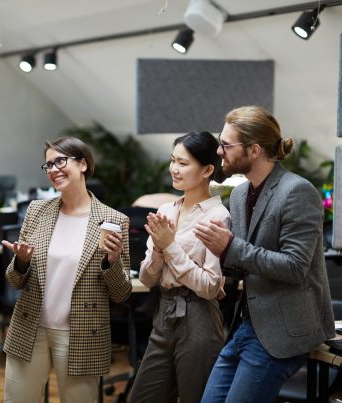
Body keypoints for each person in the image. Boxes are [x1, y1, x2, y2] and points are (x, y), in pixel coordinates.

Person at [195, 105, 335, 402]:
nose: (219, 151)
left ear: (254, 150)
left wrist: (230, 246)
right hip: (246, 325)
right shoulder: (242, 193)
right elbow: (242, 261)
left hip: (283, 332)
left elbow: (296, 267)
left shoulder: (298, 191)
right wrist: (211, 251)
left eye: (226, 145)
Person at [1, 136, 132, 403]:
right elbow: (14, 280)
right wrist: (22, 261)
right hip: (30, 328)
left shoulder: (114, 220)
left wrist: (112, 260)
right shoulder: (37, 211)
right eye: (48, 165)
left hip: (81, 333)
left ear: (83, 164)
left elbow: (121, 293)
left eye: (60, 161)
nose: (53, 169)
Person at [128, 131, 230, 403]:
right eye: (173, 160)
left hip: (199, 317)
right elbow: (149, 278)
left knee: (194, 397)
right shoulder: (165, 211)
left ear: (207, 169)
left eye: (183, 163)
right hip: (164, 311)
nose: (174, 169)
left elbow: (210, 287)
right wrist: (160, 248)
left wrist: (170, 245)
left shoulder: (217, 216)